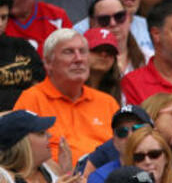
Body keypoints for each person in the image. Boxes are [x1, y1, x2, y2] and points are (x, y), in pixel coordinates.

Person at [13, 29, 118, 160]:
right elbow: (23, 156)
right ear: (48, 62)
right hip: (56, 178)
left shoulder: (107, 102)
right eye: (69, 52)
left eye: (83, 51)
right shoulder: (31, 99)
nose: (78, 59)